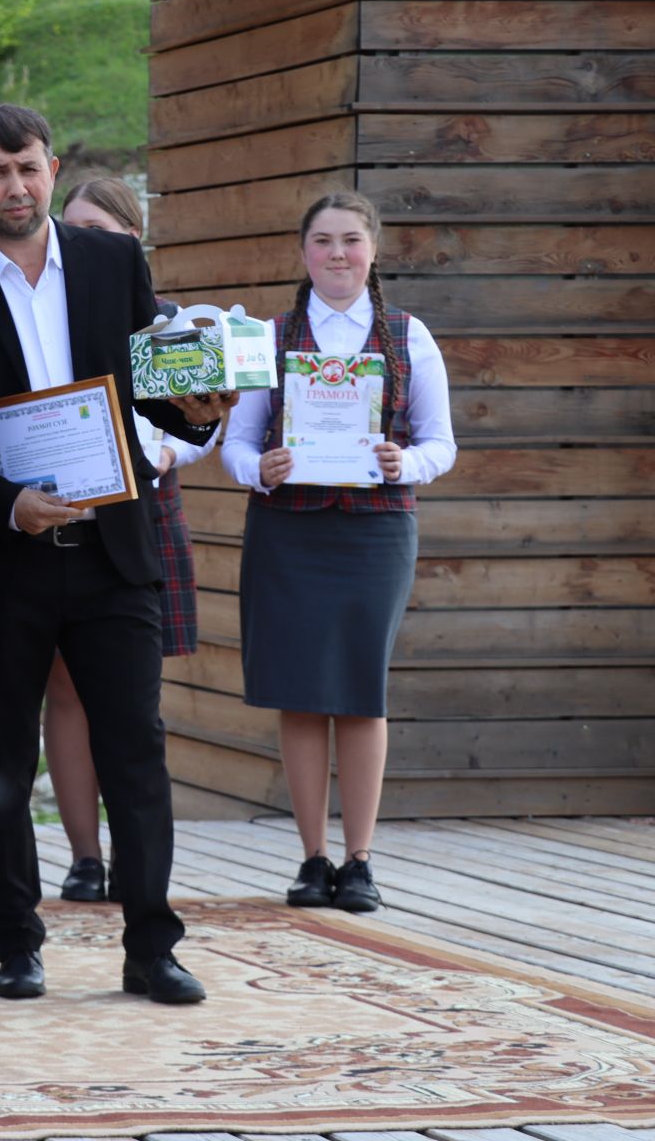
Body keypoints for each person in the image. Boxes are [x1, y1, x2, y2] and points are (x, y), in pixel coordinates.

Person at [0, 104, 232, 1007]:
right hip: (3, 555)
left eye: (27, 168)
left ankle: (152, 947)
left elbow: (159, 394)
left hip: (112, 550)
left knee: (135, 752)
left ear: (52, 168)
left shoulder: (113, 261)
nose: (14, 187)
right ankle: (17, 946)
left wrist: (203, 408)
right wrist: (5, 504)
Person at [222, 191, 456, 914]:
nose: (337, 254)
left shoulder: (410, 337)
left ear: (374, 249)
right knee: (298, 690)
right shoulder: (271, 334)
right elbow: (235, 441)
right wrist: (256, 469)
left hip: (375, 530)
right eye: (322, 241)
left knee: (359, 690)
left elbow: (440, 444)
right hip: (289, 530)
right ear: (303, 253)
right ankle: (311, 858)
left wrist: (403, 464)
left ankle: (359, 860)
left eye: (350, 240)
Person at [45, 175, 216, 903]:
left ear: (131, 240)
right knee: (65, 695)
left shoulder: (167, 321)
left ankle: (135, 865)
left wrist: (175, 450)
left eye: (103, 231)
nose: (87, 243)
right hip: (57, 519)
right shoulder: (43, 315)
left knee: (132, 707)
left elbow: (202, 419)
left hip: (142, 514)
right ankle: (84, 856)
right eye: (74, 228)